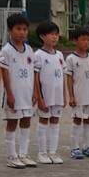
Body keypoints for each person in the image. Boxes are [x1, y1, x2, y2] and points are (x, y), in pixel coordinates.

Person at [0, 12, 37, 169]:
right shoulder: (6, 50)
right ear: (10, 30)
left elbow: (32, 71)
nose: (22, 32)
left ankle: (23, 153)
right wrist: (9, 93)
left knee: (26, 121)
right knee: (12, 122)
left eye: (25, 29)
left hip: (27, 92)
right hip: (14, 93)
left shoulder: (29, 50)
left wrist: (34, 91)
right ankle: (11, 155)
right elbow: (4, 73)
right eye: (18, 29)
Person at [31, 20, 66, 165]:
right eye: (51, 34)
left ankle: (52, 151)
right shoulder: (38, 55)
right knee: (44, 121)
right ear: (42, 36)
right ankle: (42, 152)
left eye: (56, 34)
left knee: (55, 122)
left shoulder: (59, 55)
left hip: (57, 95)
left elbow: (62, 76)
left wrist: (64, 95)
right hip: (45, 95)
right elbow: (36, 78)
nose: (55, 37)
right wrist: (39, 98)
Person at [65, 27, 89, 159]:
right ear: (75, 41)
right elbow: (69, 78)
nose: (86, 42)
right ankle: (74, 148)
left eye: (88, 40)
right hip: (78, 95)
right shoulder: (71, 59)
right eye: (83, 39)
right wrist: (71, 96)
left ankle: (87, 146)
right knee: (77, 120)